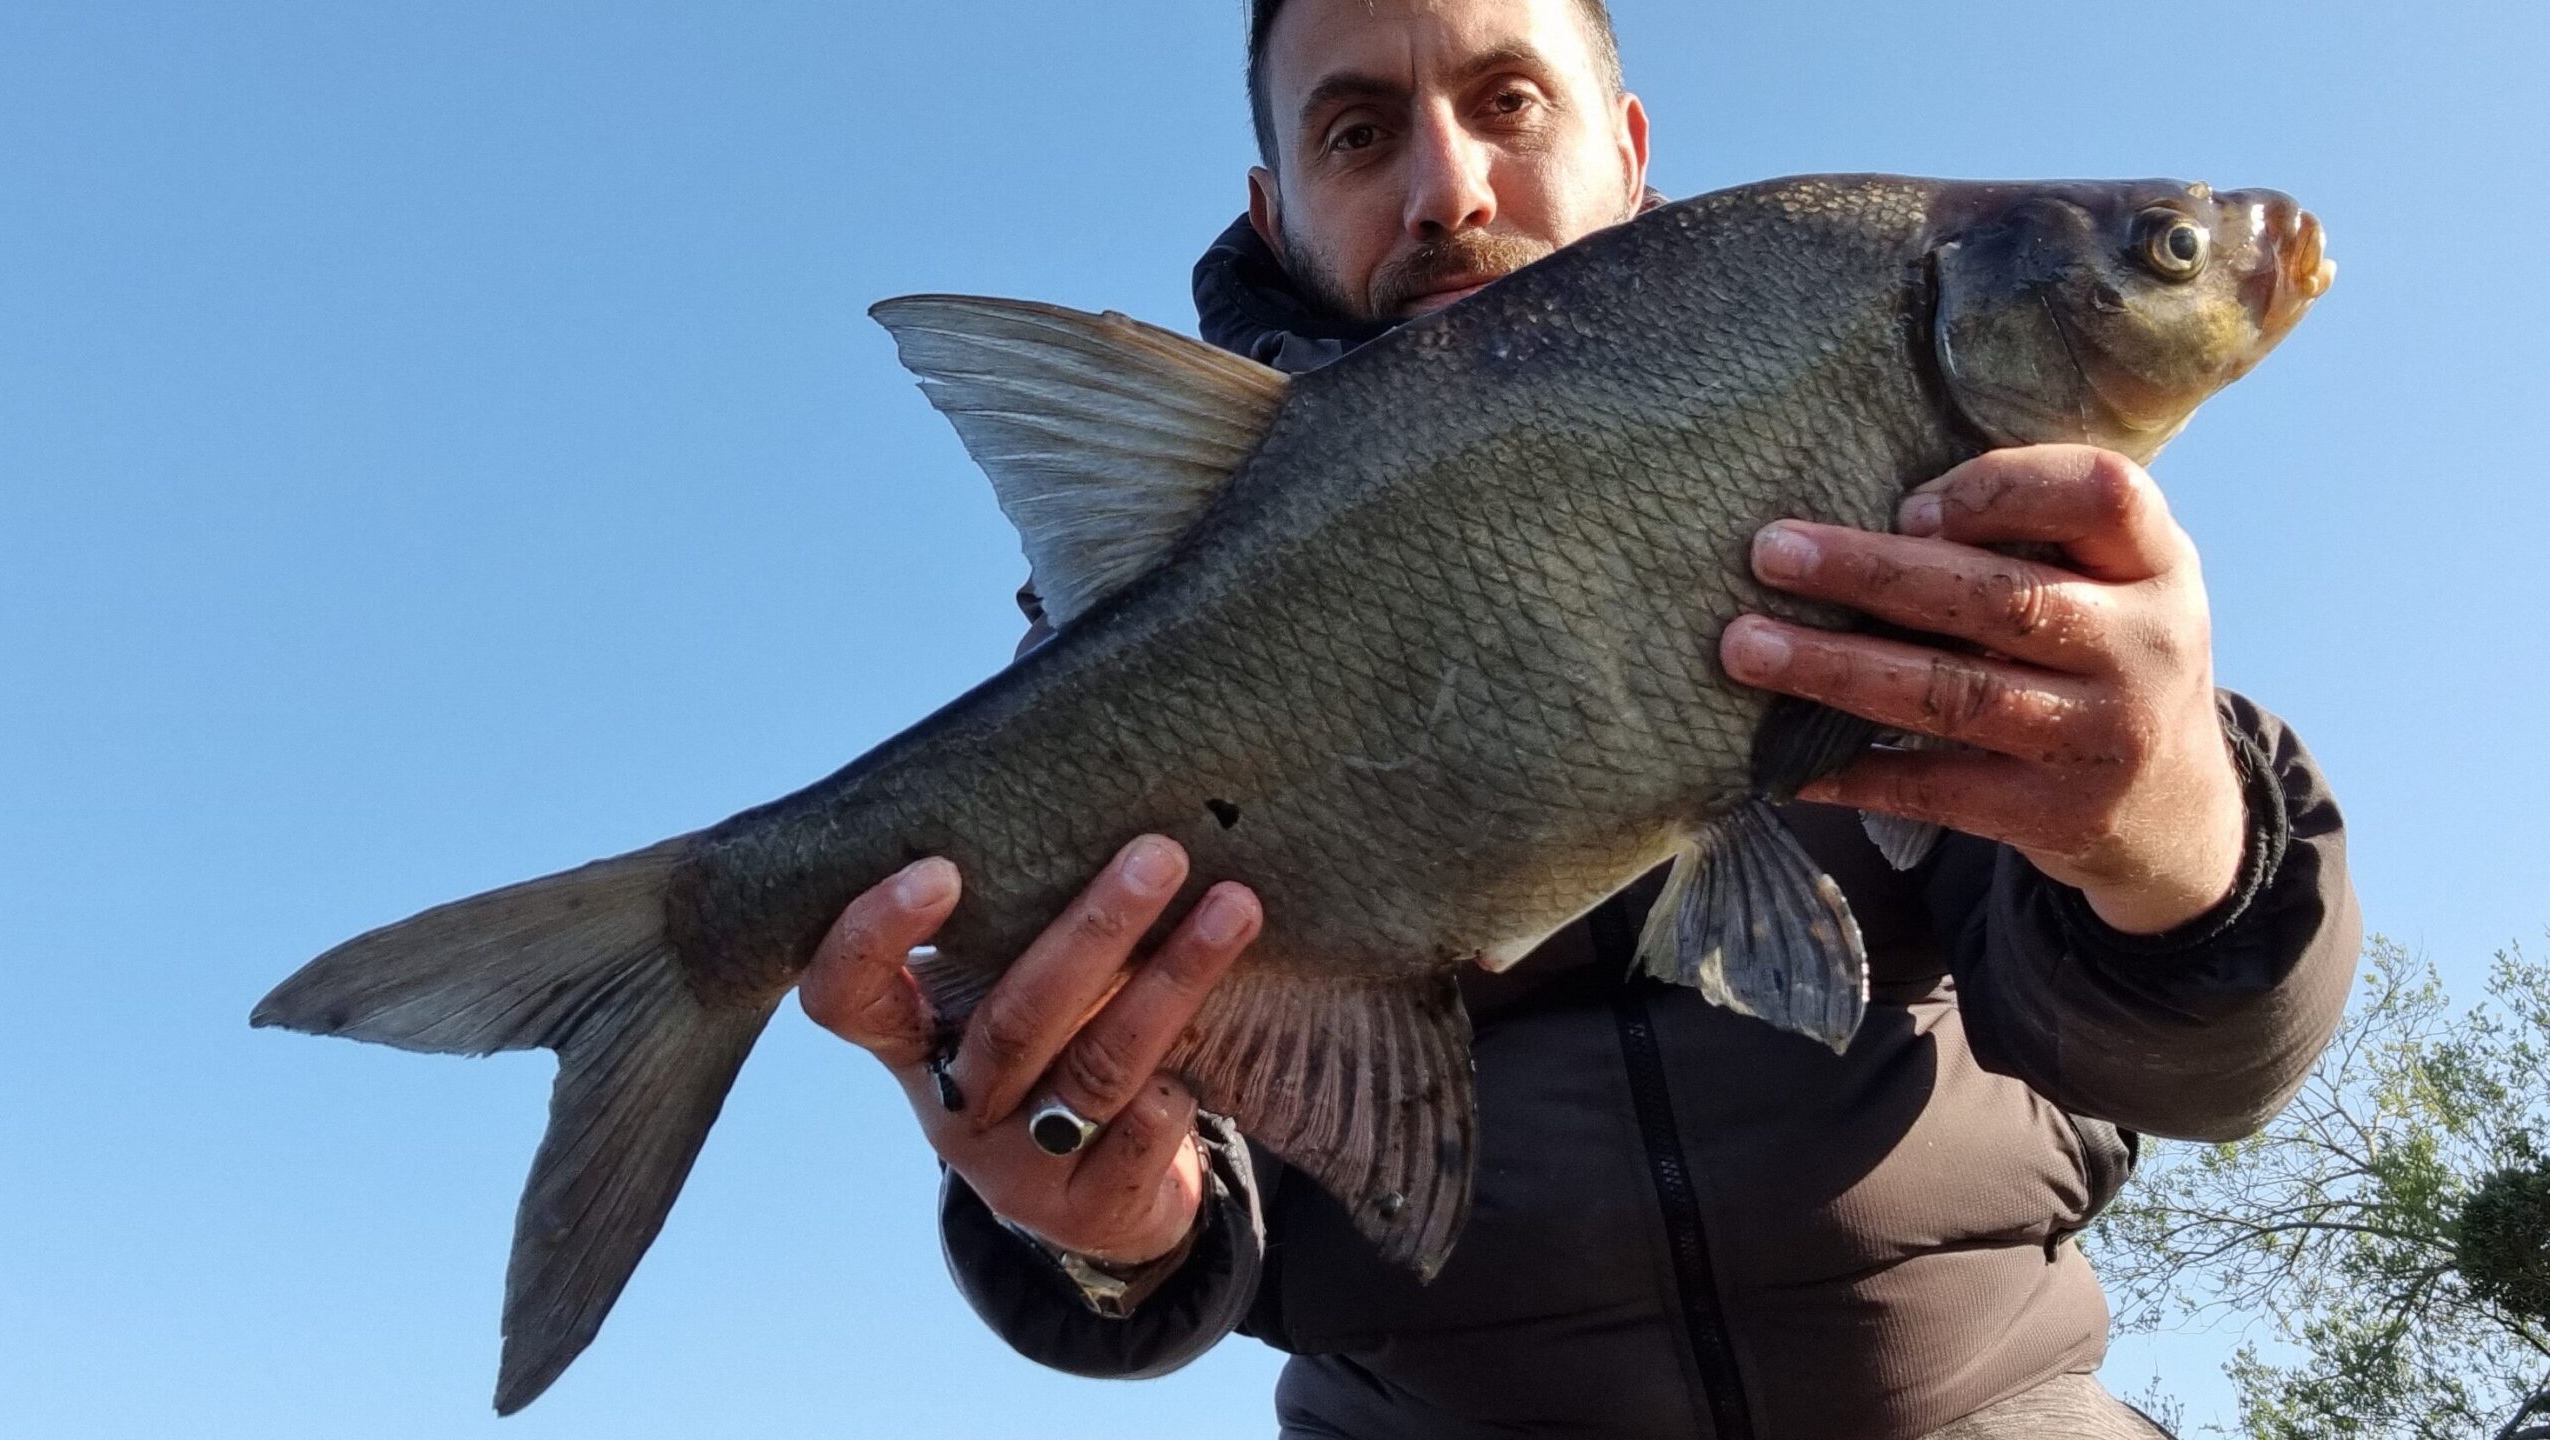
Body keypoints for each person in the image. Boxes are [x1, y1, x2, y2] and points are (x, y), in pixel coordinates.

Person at [797, 1, 2361, 1434]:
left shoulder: (1928, 491)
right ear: (1274, 209)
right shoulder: (1138, 643)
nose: (1447, 192)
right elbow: (1184, 1195)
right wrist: (1103, 1226)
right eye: (1356, 132)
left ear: (1626, 145)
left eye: (1508, 100)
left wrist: (2186, 835)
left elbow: (2201, 1069)